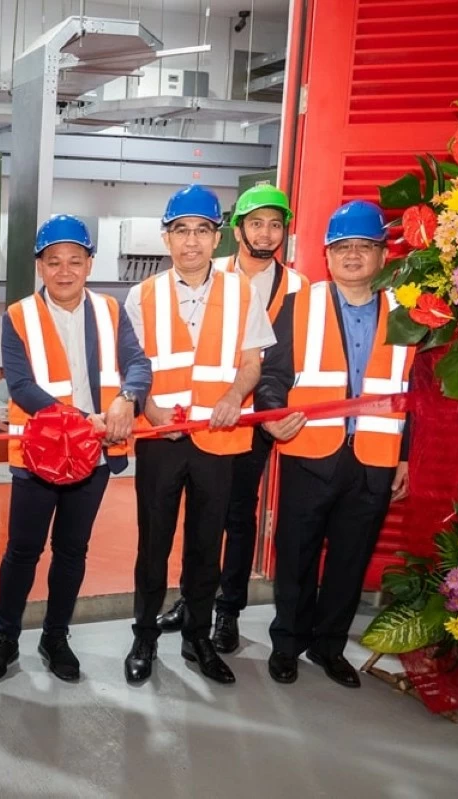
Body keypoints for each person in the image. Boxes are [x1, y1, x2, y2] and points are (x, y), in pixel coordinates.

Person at [0, 214, 152, 683]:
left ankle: (56, 637)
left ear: (90, 264)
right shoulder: (17, 316)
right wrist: (82, 420)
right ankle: (4, 637)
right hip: (37, 457)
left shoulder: (111, 312)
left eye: (75, 260)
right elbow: (22, 386)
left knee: (73, 550)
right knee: (23, 550)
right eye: (54, 262)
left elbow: (138, 365)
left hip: (92, 458)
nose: (65, 270)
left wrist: (127, 398)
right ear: (40, 266)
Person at [122, 184, 277, 686]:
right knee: (153, 543)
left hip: (220, 438)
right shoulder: (140, 296)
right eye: (181, 231)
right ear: (166, 238)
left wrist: (235, 396)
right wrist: (149, 407)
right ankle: (144, 634)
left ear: (218, 238)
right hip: (161, 439)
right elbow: (131, 366)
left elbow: (253, 361)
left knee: (206, 546)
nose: (192, 241)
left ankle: (197, 636)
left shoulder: (243, 292)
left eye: (202, 231)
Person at [263, 199, 414, 688]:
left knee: (350, 560)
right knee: (296, 555)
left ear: (382, 255)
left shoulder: (407, 314)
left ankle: (329, 647)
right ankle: (287, 642)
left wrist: (406, 456)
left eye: (364, 247)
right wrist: (272, 419)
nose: (352, 256)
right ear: (327, 256)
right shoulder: (298, 304)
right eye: (342, 247)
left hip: (374, 459)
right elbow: (272, 377)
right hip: (310, 452)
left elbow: (412, 392)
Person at [156, 184, 306, 655]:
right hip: (202, 419)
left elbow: (288, 360)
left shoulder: (301, 288)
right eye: (256, 222)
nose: (266, 232)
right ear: (236, 230)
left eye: (276, 224)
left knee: (238, 516)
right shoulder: (209, 272)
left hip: (254, 419)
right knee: (200, 515)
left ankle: (228, 611)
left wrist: (270, 411)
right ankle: (191, 597)